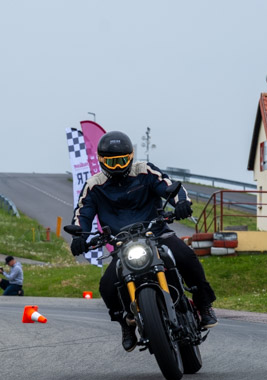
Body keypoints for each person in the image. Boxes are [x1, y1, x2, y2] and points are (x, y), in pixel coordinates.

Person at [70, 130, 217, 352]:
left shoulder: (144, 171)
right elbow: (83, 213)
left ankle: (204, 304)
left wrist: (181, 203)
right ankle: (125, 323)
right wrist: (79, 236)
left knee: (186, 256)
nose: (117, 167)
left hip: (156, 234)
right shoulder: (94, 185)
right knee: (107, 286)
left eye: (122, 161)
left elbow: (170, 186)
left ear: (131, 157)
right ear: (101, 161)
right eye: (111, 162)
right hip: (122, 245)